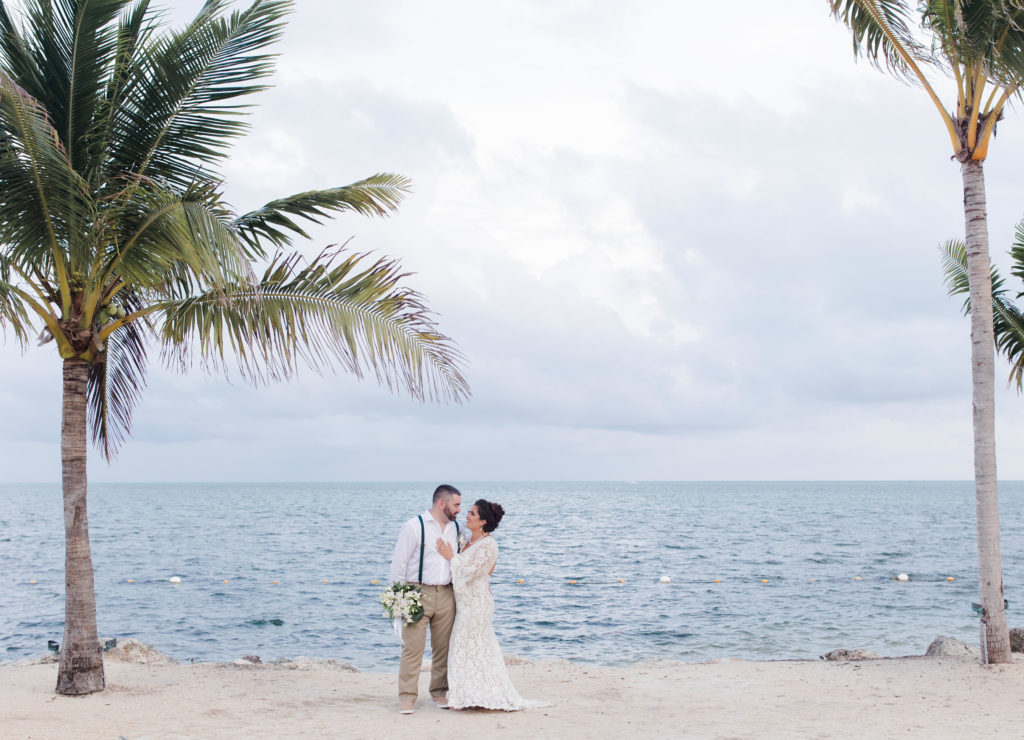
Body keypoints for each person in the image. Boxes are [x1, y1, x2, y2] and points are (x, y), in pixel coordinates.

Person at [436, 499, 545, 711]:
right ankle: (463, 694)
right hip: (465, 602)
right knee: (463, 647)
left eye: (472, 514)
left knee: (470, 646)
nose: (467, 515)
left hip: (477, 604)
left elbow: (471, 572)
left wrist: (451, 557)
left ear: (483, 521)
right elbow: (481, 572)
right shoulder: (467, 541)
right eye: (468, 511)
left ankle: (468, 696)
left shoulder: (489, 545)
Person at [389, 484, 462, 714]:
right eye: (456, 505)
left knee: (443, 648)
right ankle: (407, 697)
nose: (459, 509)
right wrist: (400, 601)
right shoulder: (414, 527)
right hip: (418, 592)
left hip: (447, 593)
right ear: (442, 503)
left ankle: (439, 693)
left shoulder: (456, 528)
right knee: (413, 648)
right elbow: (398, 566)